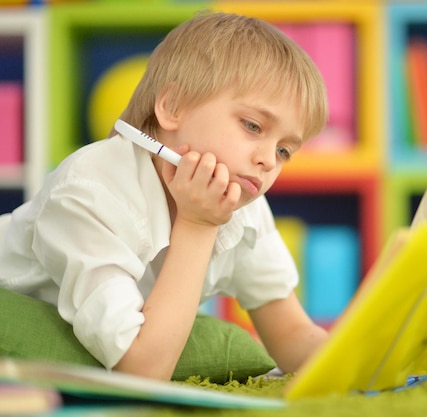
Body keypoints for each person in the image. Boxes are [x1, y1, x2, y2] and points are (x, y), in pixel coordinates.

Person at [0, 10, 329, 380]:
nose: (268, 160)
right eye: (253, 126)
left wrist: (357, 362)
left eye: (284, 151)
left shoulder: (243, 206)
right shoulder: (88, 192)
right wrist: (198, 224)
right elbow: (143, 371)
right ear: (172, 107)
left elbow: (290, 331)